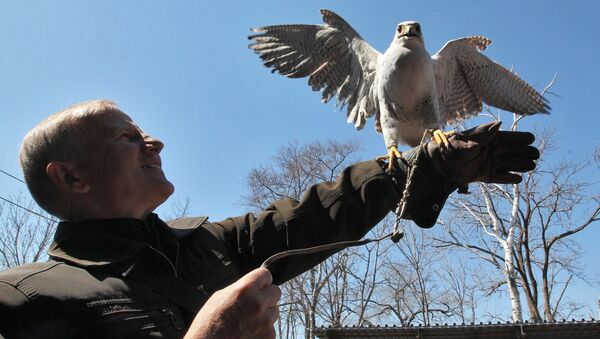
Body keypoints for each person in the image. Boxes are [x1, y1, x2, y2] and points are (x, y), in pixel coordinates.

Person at [0, 100, 539, 338]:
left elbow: (317, 214)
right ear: (70, 178)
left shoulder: (208, 245)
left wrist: (426, 164)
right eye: (127, 136)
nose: (154, 141)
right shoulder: (19, 302)